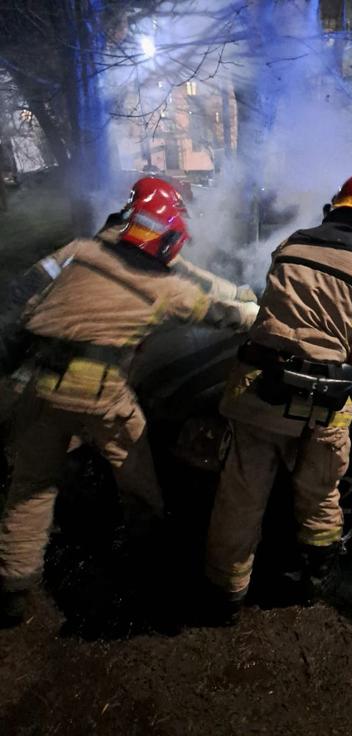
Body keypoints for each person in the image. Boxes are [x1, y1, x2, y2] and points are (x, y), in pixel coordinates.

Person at [0, 177, 258, 627]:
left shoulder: (80, 250)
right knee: (136, 466)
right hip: (97, 392)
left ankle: (12, 590)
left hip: (35, 383)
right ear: (168, 238)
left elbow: (23, 293)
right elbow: (222, 313)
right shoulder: (163, 291)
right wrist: (258, 310)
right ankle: (149, 554)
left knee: (31, 485)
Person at [205, 171, 352, 624]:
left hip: (258, 391)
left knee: (240, 498)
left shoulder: (290, 246)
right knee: (321, 492)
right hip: (320, 403)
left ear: (335, 206)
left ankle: (224, 596)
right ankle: (311, 579)